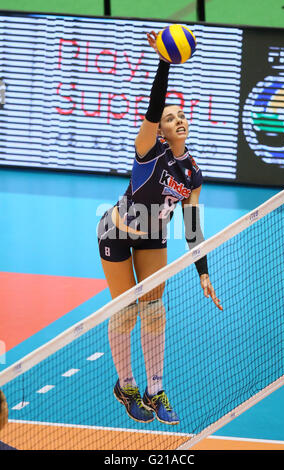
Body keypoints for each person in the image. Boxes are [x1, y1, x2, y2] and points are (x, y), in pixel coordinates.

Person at [97, 31, 222, 425]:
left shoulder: (193, 174)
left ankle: (155, 389)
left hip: (153, 236)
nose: (177, 119)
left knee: (154, 312)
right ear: (160, 130)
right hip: (116, 234)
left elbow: (192, 227)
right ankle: (126, 384)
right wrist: (165, 59)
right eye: (170, 118)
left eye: (180, 115)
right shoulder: (148, 154)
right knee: (126, 313)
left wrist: (204, 274)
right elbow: (152, 108)